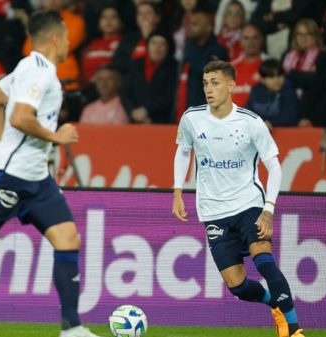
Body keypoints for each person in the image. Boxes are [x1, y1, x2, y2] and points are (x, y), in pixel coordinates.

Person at [0, 11, 100, 337]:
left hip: (36, 177)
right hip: (9, 176)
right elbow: (22, 117)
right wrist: (55, 137)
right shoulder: (41, 75)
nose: (69, 43)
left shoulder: (28, 66)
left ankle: (72, 328)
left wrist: (6, 144)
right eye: (66, 36)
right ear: (55, 38)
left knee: (68, 239)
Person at [172, 60, 305, 337]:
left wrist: (268, 209)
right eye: (206, 83)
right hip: (213, 211)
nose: (209, 88)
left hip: (249, 205)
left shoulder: (251, 122)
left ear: (231, 86)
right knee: (238, 286)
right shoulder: (192, 118)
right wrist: (177, 190)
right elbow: (183, 150)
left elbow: (275, 166)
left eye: (215, 82)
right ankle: (274, 304)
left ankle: (293, 330)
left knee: (265, 262)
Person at [121, 30, 178, 124]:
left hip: (162, 122)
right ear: (147, 46)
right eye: (154, 42)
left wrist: (146, 110)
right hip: (135, 120)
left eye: (162, 44)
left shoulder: (174, 67)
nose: (157, 47)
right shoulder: (136, 64)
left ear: (168, 48)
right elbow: (125, 92)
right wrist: (132, 111)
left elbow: (169, 95)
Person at [246, 58, 299, 129]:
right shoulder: (256, 92)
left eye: (279, 75)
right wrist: (262, 123)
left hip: (285, 135)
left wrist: (270, 123)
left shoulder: (289, 92)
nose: (276, 80)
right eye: (271, 76)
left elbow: (289, 118)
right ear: (262, 80)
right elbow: (247, 115)